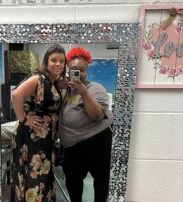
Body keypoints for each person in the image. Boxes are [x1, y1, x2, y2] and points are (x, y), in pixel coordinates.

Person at [11, 44, 67, 202]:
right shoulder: (38, 78)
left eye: (61, 61)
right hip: (32, 138)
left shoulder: (51, 81)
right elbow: (16, 95)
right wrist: (23, 119)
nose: (57, 64)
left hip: (45, 139)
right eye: (53, 60)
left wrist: (58, 84)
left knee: (43, 176)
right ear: (46, 62)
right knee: (34, 176)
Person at [59, 47, 113, 202]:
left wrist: (84, 92)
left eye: (82, 70)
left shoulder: (96, 89)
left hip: (98, 145)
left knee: (101, 184)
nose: (79, 73)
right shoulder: (64, 89)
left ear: (87, 71)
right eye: (74, 69)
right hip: (72, 149)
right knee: (73, 184)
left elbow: (97, 115)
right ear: (68, 70)